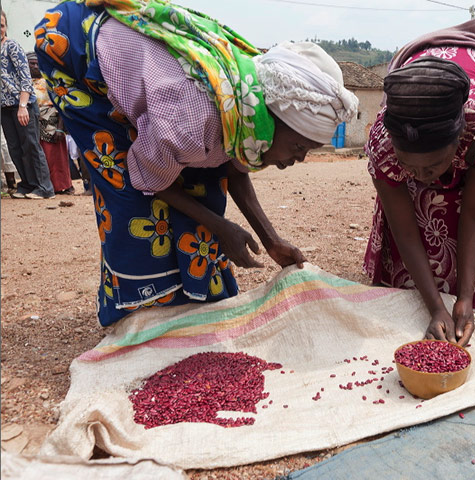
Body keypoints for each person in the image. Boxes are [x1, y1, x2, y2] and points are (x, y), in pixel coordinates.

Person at [34, 0, 357, 326]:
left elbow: (232, 167)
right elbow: (147, 177)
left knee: (206, 181)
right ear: (271, 122)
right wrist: (221, 227)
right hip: (72, 45)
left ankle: (198, 294)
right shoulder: (191, 120)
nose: (299, 159)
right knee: (129, 195)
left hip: (163, 91)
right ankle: (142, 313)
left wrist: (270, 239)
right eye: (299, 146)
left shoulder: (247, 111)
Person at [364, 20, 475, 344]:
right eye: (408, 165)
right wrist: (435, 308)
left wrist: (466, 299)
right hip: (428, 135)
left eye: (432, 165)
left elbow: (474, 215)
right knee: (422, 205)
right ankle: (419, 295)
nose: (420, 175)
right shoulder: (382, 144)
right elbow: (403, 229)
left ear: (460, 138)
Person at [1, 10, 55, 199]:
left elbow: (26, 79)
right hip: (4, 107)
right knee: (15, 148)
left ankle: (44, 188)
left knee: (30, 146)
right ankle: (27, 184)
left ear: (6, 26)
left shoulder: (12, 47)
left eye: (2, 25)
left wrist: (22, 106)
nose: (0, 29)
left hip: (21, 105)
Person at [27, 52, 74, 195]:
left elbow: (61, 105)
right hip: (32, 122)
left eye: (37, 63)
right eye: (32, 64)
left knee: (55, 156)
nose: (35, 67)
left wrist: (60, 129)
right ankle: (43, 186)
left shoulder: (51, 82)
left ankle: (62, 186)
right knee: (39, 156)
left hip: (52, 123)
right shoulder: (24, 83)